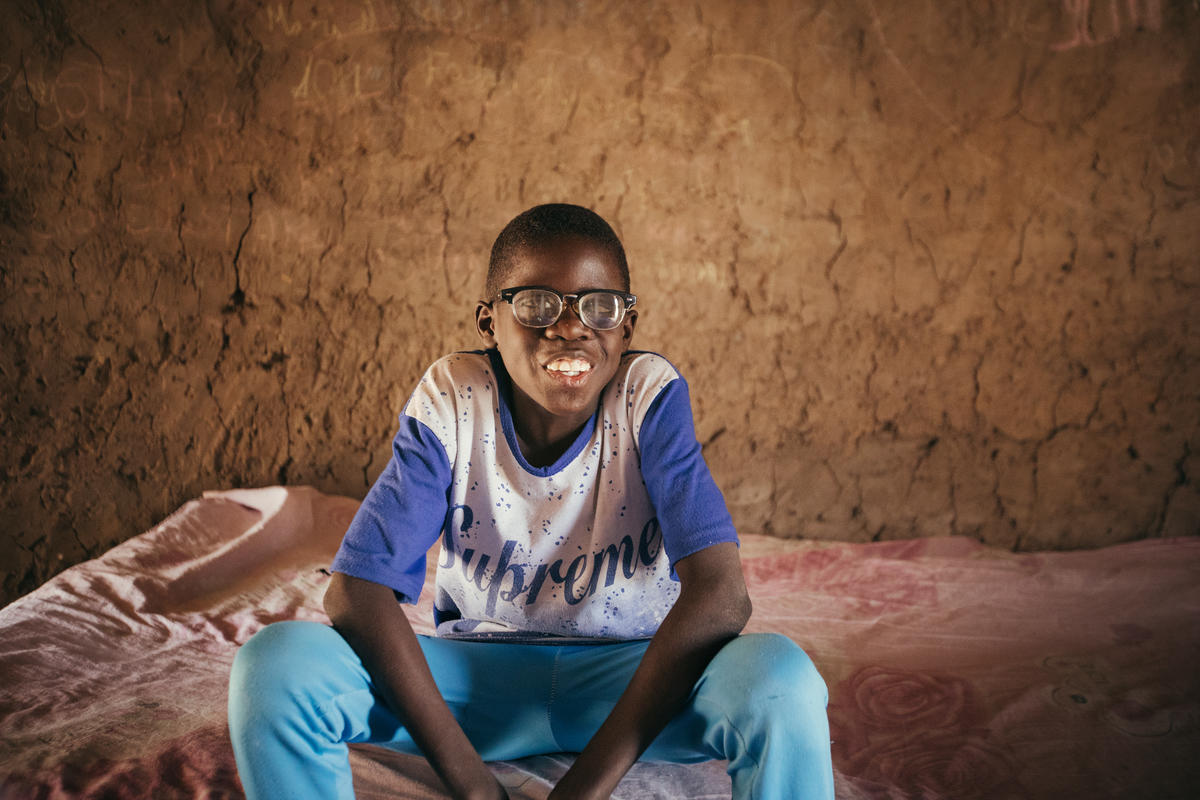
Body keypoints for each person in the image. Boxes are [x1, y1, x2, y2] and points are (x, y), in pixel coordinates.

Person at [227, 204, 834, 800]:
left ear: (628, 327)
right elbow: (356, 591)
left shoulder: (646, 395)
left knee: (780, 677)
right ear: (488, 321)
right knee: (276, 665)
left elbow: (721, 593)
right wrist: (473, 786)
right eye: (536, 303)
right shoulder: (453, 396)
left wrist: (585, 787)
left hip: (638, 686)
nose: (570, 327)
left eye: (599, 307)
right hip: (476, 682)